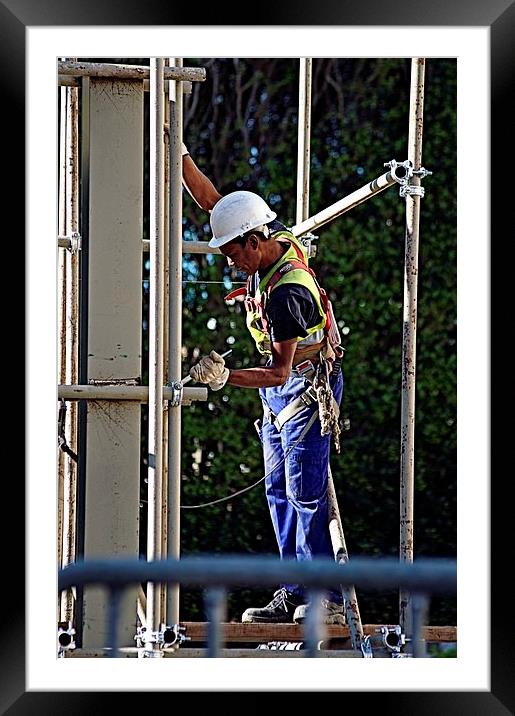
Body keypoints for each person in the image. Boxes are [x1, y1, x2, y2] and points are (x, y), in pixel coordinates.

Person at [182, 145, 345, 626]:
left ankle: (329, 600)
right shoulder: (267, 237)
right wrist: (179, 151)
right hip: (281, 390)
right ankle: (294, 588)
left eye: (233, 253)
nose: (230, 262)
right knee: (278, 490)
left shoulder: (286, 294)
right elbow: (214, 202)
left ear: (254, 242)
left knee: (305, 492)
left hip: (306, 385)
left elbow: (277, 370)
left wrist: (224, 377)